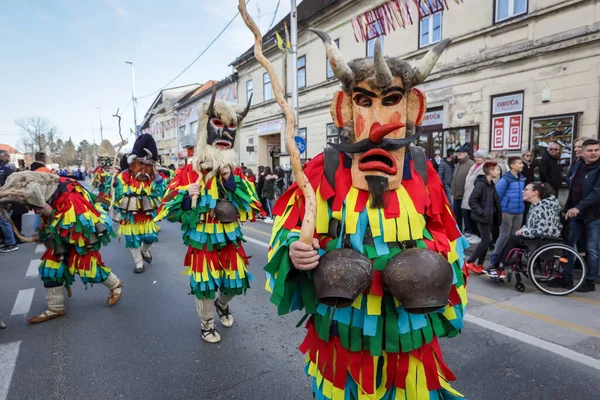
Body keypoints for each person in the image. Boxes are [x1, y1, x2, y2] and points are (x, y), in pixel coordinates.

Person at [265, 33, 467, 399]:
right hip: (343, 323)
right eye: (364, 100)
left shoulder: (422, 170)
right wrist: (296, 250)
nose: (378, 124)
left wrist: (424, 256)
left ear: (412, 108)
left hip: (409, 323)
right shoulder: (321, 170)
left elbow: (449, 234)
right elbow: (288, 230)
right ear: (344, 108)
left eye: (391, 100)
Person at [156, 93, 263, 343]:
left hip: (230, 239)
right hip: (202, 242)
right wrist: (186, 197)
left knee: (235, 282)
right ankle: (206, 324)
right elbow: (167, 209)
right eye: (218, 125)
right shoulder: (187, 173)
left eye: (231, 128)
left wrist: (230, 181)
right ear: (206, 130)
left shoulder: (235, 174)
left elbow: (252, 206)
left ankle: (222, 304)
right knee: (204, 284)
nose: (225, 134)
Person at [0, 171, 122, 323]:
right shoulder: (47, 194)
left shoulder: (70, 197)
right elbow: (50, 222)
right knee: (50, 269)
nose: (34, 210)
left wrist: (51, 214)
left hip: (82, 239)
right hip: (61, 237)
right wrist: (42, 233)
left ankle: (115, 285)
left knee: (89, 270)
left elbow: (82, 228)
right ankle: (56, 307)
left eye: (33, 206)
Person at [113, 134, 166, 273]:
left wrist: (158, 178)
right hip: (130, 216)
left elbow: (162, 192)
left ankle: (145, 251)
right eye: (141, 164)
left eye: (148, 165)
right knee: (132, 240)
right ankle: (139, 263)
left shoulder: (155, 178)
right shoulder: (122, 177)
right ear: (133, 162)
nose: (144, 170)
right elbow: (116, 196)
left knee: (150, 238)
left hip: (147, 215)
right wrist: (113, 184)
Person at [486, 182, 562, 277]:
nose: (523, 191)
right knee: (513, 238)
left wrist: (524, 231)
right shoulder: (536, 206)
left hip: (543, 240)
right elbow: (532, 225)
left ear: (535, 192)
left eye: (526, 189)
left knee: (513, 239)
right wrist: (523, 229)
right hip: (538, 238)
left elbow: (545, 231)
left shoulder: (544, 208)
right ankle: (498, 266)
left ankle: (498, 266)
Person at [553, 139, 600, 292]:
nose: (593, 153)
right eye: (590, 150)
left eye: (596, 150)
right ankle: (566, 278)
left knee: (592, 249)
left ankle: (590, 281)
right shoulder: (578, 164)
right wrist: (568, 208)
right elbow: (573, 187)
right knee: (569, 245)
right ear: (583, 152)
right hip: (574, 213)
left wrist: (578, 207)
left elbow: (597, 193)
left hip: (593, 215)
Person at [489, 156, 526, 268]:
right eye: (519, 163)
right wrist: (499, 211)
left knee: (514, 237)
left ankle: (508, 259)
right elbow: (497, 196)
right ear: (512, 165)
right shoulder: (505, 179)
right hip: (507, 211)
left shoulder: (522, 178)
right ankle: (495, 258)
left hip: (519, 211)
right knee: (504, 235)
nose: (522, 165)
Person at [466, 162, 501, 274]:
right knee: (486, 240)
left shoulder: (491, 184)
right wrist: (482, 212)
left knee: (486, 240)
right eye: (496, 170)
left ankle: (480, 264)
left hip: (489, 217)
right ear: (490, 171)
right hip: (483, 217)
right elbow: (472, 201)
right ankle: (470, 262)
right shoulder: (481, 184)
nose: (498, 172)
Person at [461, 148, 489, 244]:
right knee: (468, 214)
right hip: (468, 193)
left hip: (475, 194)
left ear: (484, 158)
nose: (477, 159)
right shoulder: (473, 167)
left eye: (479, 157)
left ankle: (478, 235)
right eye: (476, 157)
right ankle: (472, 234)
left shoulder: (485, 168)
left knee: (475, 216)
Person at [450, 146, 474, 234]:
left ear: (466, 154)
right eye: (458, 153)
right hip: (456, 194)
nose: (459, 154)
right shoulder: (458, 164)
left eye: (461, 153)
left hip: (465, 194)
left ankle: (469, 231)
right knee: (457, 215)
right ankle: (458, 231)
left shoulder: (470, 164)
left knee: (466, 215)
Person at [90, 140, 117, 212]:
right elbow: (94, 184)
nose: (108, 163)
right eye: (105, 160)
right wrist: (96, 181)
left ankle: (115, 213)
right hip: (103, 193)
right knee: (104, 206)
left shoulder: (116, 170)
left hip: (114, 192)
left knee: (116, 202)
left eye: (110, 160)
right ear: (99, 160)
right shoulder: (98, 171)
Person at [0, 150, 18, 252]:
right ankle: (8, 241)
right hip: (7, 197)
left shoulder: (6, 168)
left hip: (5, 198)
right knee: (4, 221)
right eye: (7, 156)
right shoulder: (8, 168)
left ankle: (11, 243)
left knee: (4, 221)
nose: (8, 157)